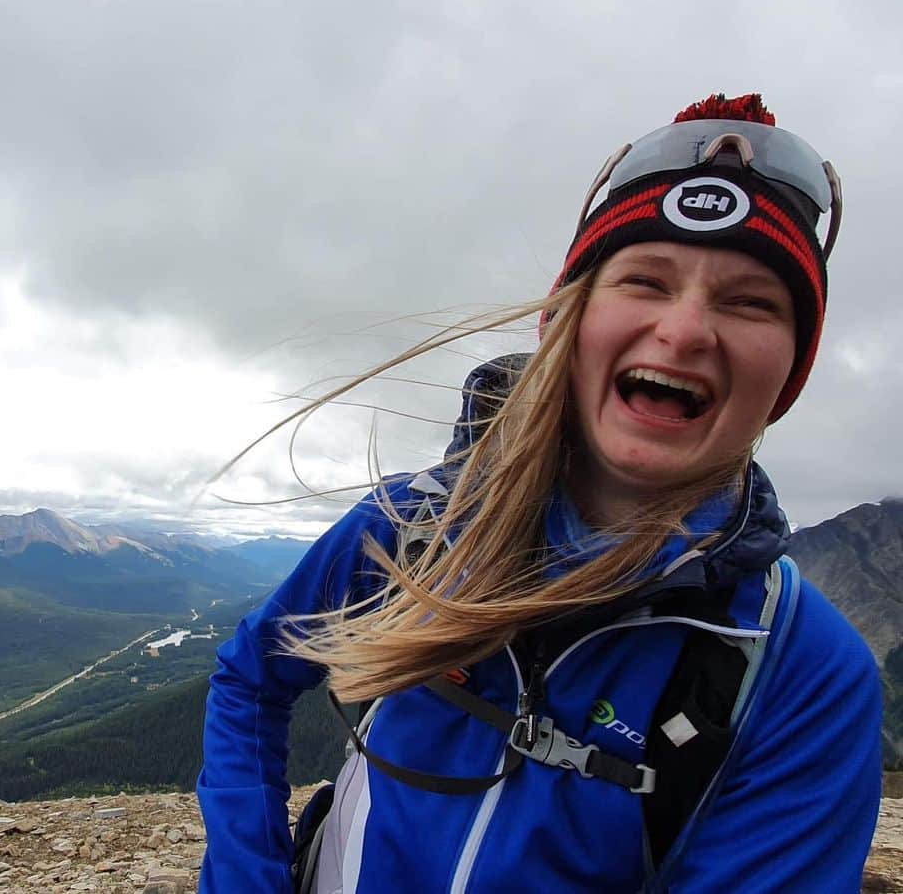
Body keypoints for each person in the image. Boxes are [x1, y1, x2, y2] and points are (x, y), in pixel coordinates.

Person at [196, 94, 882, 893]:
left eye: (751, 302)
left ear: (789, 373)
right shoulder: (420, 522)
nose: (688, 330)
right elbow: (251, 677)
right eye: (645, 280)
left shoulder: (802, 670)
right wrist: (246, 875)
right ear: (566, 319)